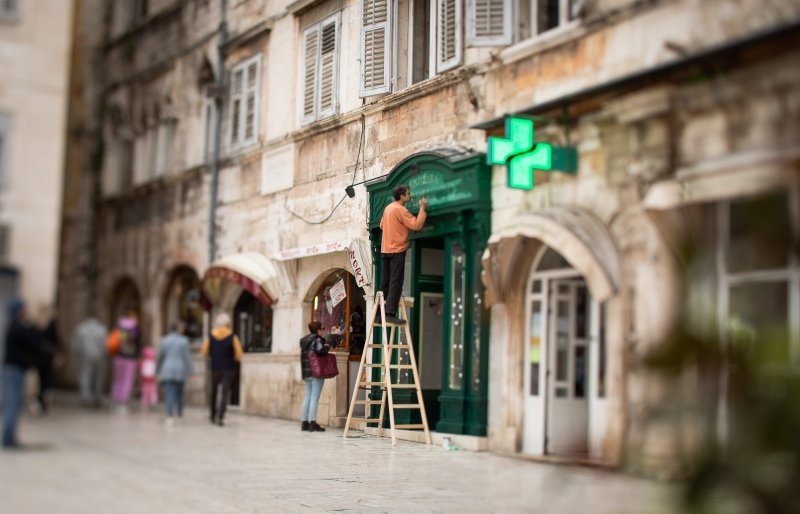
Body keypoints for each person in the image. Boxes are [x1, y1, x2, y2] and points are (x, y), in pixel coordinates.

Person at [379, 184, 427, 324]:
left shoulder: (388, 208)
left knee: (385, 283)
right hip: (397, 250)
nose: (410, 195)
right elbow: (416, 225)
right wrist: (422, 208)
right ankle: (389, 313)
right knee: (396, 281)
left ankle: (379, 314)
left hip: (385, 249)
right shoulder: (401, 210)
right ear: (402, 196)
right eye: (408, 193)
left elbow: (382, 225)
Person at [2, 299, 42, 449]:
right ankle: (8, 438)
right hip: (14, 370)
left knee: (14, 402)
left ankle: (9, 436)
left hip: (14, 369)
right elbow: (34, 340)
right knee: (13, 402)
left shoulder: (15, 326)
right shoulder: (17, 327)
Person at [201, 313, 243, 426]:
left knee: (214, 391)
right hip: (228, 367)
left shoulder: (211, 336)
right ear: (228, 324)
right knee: (225, 392)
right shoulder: (233, 337)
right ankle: (221, 416)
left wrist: (212, 355)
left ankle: (212, 414)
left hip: (215, 367)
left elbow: (204, 351)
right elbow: (239, 354)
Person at [156, 322, 193, 425]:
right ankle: (180, 414)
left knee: (169, 393)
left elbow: (160, 357)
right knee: (180, 393)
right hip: (180, 369)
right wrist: (191, 371)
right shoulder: (184, 341)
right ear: (178, 329)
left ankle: (169, 416)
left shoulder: (164, 340)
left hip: (167, 369)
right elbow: (187, 358)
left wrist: (157, 370)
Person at [299, 321, 330, 432]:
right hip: (316, 372)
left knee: (308, 396)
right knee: (314, 398)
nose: (323, 330)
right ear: (318, 330)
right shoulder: (318, 339)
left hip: (307, 372)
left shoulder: (305, 341)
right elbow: (321, 350)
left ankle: (304, 423)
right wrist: (327, 346)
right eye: (322, 328)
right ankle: (312, 422)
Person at [71, 316, 108, 408]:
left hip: (85, 355)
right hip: (99, 355)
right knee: (98, 377)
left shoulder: (81, 328)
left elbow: (76, 343)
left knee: (85, 376)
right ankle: (97, 397)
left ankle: (85, 397)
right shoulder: (102, 329)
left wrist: (77, 354)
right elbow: (105, 344)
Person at [109, 311, 140, 412]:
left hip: (118, 357)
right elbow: (137, 343)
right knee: (127, 381)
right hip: (129, 358)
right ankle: (122, 403)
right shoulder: (134, 329)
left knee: (117, 380)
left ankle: (115, 401)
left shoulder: (119, 326)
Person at [34, 306, 59, 414]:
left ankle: (42, 402)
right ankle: (41, 402)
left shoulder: (40, 327)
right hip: (44, 359)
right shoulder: (48, 327)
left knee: (44, 382)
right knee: (45, 382)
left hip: (42, 358)